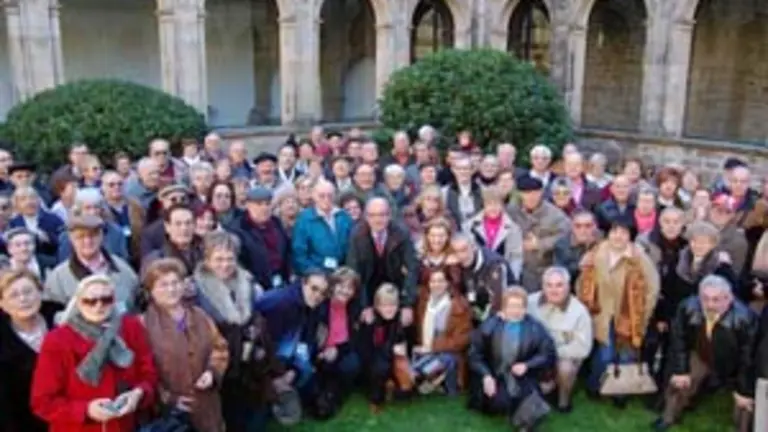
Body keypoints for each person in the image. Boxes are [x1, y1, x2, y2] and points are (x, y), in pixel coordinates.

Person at [31, 275, 157, 432]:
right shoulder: (58, 340)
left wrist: (138, 393)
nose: (98, 306)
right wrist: (86, 410)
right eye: (90, 301)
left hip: (125, 424)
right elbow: (43, 401)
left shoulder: (130, 327)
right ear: (78, 302)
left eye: (106, 299)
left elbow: (148, 373)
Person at [655, 275, 758, 431]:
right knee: (679, 383)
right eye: (705, 298)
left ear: (729, 298)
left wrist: (743, 390)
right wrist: (681, 370)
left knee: (745, 403)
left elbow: (748, 356)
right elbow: (679, 340)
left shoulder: (745, 318)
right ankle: (668, 417)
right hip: (701, 354)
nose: (710, 304)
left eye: (716, 300)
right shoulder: (687, 307)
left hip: (735, 362)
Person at [577, 216, 660, 404]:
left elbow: (652, 289)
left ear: (630, 236)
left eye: (623, 233)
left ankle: (620, 393)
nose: (618, 236)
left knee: (626, 355)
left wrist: (642, 316)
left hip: (629, 317)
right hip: (603, 315)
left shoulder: (640, 258)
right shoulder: (597, 252)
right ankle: (595, 387)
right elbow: (583, 282)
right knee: (605, 354)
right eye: (614, 231)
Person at [141, 258, 229, 432]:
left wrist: (212, 372)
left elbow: (219, 348)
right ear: (151, 291)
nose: (171, 289)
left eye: (176, 283)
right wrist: (167, 398)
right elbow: (142, 370)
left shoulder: (200, 315)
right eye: (163, 285)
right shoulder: (143, 324)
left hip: (207, 404)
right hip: (169, 413)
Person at [467, 287, 556, 431]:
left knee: (523, 395)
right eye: (511, 306)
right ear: (504, 308)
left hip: (524, 376)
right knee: (499, 402)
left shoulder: (535, 327)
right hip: (497, 375)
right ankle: (526, 413)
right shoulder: (490, 325)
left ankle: (525, 422)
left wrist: (527, 365)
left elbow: (548, 353)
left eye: (519, 306)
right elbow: (474, 355)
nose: (515, 311)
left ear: (525, 308)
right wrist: (486, 376)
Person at [0, 270, 63, 432]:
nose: (23, 299)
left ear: (40, 293)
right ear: (3, 304)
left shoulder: (61, 320)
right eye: (14, 295)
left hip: (67, 418)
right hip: (22, 423)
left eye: (28, 291)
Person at [528, 267, 593, 412]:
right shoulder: (529, 302)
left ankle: (563, 401)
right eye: (549, 285)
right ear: (542, 286)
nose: (554, 290)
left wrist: (550, 354)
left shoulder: (579, 312)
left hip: (563, 356)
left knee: (566, 367)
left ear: (568, 287)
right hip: (535, 354)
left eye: (559, 285)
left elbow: (583, 348)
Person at [347, 197, 418, 327]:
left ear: (389, 215)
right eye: (372, 215)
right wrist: (364, 306)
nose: (377, 220)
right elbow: (355, 273)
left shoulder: (401, 233)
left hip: (395, 289)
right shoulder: (357, 235)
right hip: (368, 289)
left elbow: (412, 268)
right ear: (366, 217)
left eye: (382, 215)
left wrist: (407, 304)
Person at [44, 215, 139, 313]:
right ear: (71, 239)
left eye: (93, 235)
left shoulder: (123, 269)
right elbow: (54, 317)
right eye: (80, 236)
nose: (87, 241)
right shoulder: (58, 278)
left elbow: (136, 306)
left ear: (101, 236)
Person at [413, 268, 472, 395]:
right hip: (426, 351)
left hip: (449, 355)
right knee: (416, 359)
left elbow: (462, 340)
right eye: (433, 281)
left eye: (441, 281)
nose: (436, 285)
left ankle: (426, 380)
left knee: (443, 360)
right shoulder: (424, 303)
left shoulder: (459, 305)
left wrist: (432, 347)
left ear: (447, 283)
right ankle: (425, 381)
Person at [508, 175, 570, 293]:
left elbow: (565, 235)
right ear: (520, 194)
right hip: (516, 267)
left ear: (541, 192)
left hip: (541, 269)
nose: (531, 197)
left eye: (535, 193)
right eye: (527, 193)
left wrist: (540, 244)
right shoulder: (512, 211)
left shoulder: (555, 215)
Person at [358, 283, 408, 414]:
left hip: (393, 357)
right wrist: (391, 350)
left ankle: (392, 386)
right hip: (373, 360)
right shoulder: (371, 321)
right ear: (377, 305)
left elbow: (400, 339)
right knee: (380, 368)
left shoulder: (398, 320)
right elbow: (367, 349)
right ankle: (375, 400)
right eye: (385, 305)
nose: (389, 309)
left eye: (393, 305)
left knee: (406, 389)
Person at [292, 180, 354, 275]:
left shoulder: (343, 216)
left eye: (330, 195)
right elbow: (299, 254)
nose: (326, 199)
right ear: (313, 196)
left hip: (342, 274)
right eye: (322, 196)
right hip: (316, 274)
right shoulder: (304, 219)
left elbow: (352, 247)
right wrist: (314, 274)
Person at [464, 186, 524, 282]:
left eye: (497, 204)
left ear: (502, 205)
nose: (493, 208)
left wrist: (512, 280)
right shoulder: (469, 226)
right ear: (483, 204)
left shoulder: (513, 228)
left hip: (503, 276)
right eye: (489, 204)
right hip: (477, 277)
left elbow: (516, 258)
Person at [451, 233, 512, 323]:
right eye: (456, 252)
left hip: (500, 314)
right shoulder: (457, 264)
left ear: (474, 247)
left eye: (464, 250)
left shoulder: (494, 264)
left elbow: (498, 301)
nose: (461, 256)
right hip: (476, 309)